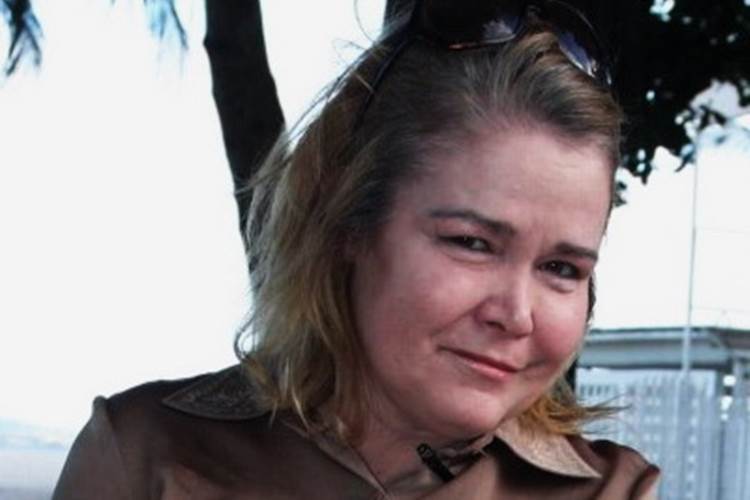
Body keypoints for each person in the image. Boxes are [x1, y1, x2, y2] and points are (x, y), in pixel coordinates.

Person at [53, 0, 660, 498]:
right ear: (350, 222)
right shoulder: (146, 456)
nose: (517, 314)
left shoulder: (613, 491)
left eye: (561, 268)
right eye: (472, 243)